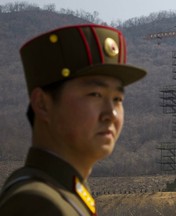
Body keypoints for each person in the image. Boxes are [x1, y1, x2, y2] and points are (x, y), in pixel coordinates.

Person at [0, 24, 146, 216]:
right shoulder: (36, 203)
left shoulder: (66, 195)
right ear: (42, 104)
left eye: (117, 99)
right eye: (95, 94)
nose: (111, 114)